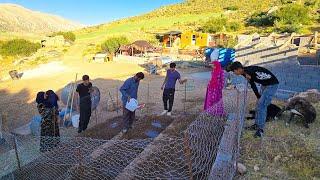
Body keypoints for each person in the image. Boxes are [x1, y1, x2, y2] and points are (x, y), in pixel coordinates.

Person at [229, 61, 279, 138]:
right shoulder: (244, 73)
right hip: (265, 84)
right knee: (259, 104)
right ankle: (257, 124)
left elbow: (253, 79)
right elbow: (252, 84)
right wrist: (258, 96)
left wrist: (251, 77)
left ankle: (260, 129)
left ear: (238, 69)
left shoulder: (249, 71)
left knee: (262, 105)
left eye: (234, 71)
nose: (233, 72)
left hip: (272, 85)